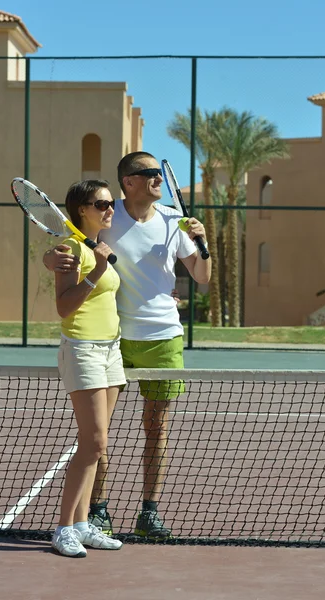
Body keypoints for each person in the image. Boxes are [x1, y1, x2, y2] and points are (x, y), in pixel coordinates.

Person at [44, 152, 211, 539]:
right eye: (150, 173)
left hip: (164, 338)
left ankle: (148, 511)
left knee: (157, 427)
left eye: (159, 173)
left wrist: (203, 242)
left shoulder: (174, 220)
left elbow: (202, 277)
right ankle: (97, 510)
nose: (159, 179)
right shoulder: (105, 213)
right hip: (114, 339)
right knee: (101, 433)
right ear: (129, 181)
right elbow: (69, 245)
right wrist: (50, 257)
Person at [50, 179, 124, 558]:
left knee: (95, 446)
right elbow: (64, 307)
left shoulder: (98, 246)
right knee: (94, 442)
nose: (109, 209)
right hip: (83, 349)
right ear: (82, 209)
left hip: (112, 350)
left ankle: (81, 525)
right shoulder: (70, 250)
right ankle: (63, 527)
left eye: (112, 202)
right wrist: (94, 272)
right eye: (101, 203)